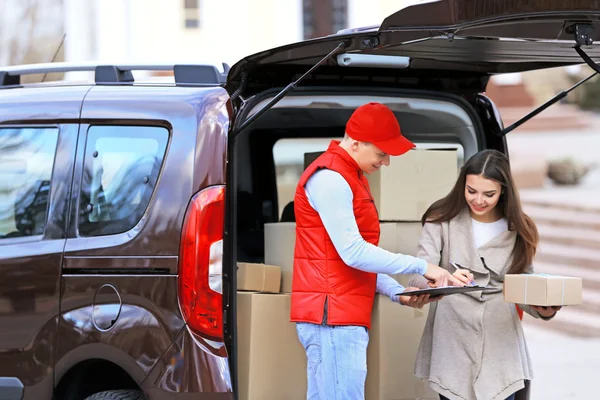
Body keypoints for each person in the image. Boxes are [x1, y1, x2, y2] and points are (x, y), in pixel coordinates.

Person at [289, 102, 466, 400]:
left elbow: (352, 259)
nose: (386, 163)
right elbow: (354, 253)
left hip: (338, 313)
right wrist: (423, 267)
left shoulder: (350, 174)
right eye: (382, 154)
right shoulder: (331, 178)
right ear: (356, 143)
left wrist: (396, 292)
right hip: (333, 317)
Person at [408, 149, 562, 400]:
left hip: (500, 341)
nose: (478, 200)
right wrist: (444, 279)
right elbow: (418, 272)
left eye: (489, 194)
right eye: (471, 191)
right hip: (452, 336)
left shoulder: (519, 228)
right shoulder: (441, 219)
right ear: (462, 186)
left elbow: (523, 285)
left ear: (503, 191)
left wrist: (544, 307)